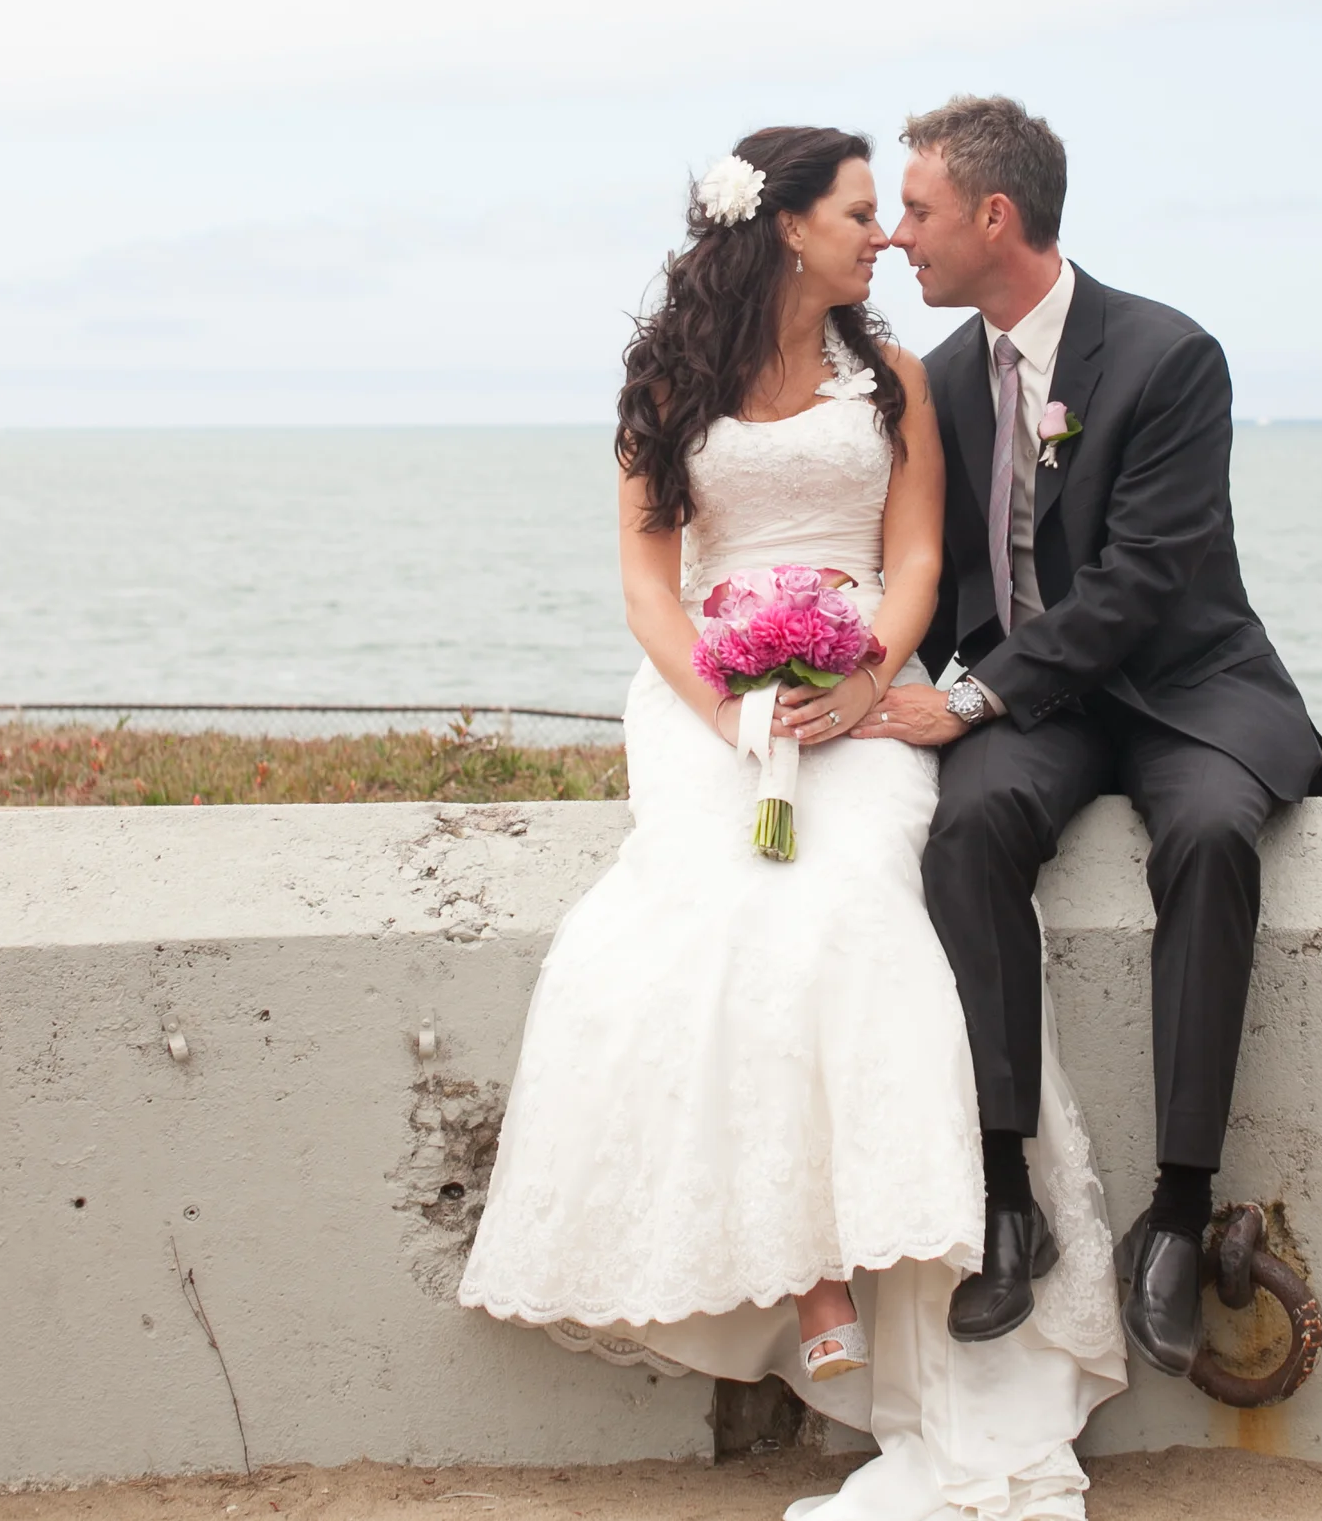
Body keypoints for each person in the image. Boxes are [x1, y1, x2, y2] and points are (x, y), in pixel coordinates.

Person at [457, 126, 1123, 1521]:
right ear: (784, 229)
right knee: (703, 918)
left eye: (894, 212)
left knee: (857, 908)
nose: (884, 235)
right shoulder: (666, 381)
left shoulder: (889, 377)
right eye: (862, 211)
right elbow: (648, 582)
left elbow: (922, 553)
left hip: (859, 688)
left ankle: (920, 1273)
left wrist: (866, 677)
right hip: (705, 699)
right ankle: (809, 1271)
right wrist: (726, 706)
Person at [854, 96, 1322, 1376]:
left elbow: (1136, 585)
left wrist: (966, 698)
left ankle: (1177, 1210)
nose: (901, 238)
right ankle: (1005, 1191)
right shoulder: (945, 381)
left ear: (994, 216)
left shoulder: (1171, 358)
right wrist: (841, 678)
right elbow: (920, 563)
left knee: (1211, 834)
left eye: (918, 211)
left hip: (1183, 684)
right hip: (1043, 703)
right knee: (965, 827)